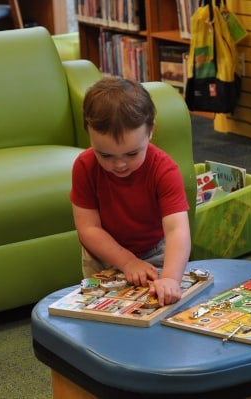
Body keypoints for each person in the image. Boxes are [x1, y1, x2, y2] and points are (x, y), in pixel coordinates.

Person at [69, 76, 191, 307]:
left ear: (151, 130)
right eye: (105, 155)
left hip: (154, 252)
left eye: (132, 154)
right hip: (102, 257)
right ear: (88, 132)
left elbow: (177, 230)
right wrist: (126, 262)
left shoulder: (164, 170)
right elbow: (88, 229)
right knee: (104, 315)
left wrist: (170, 278)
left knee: (158, 308)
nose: (119, 165)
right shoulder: (84, 166)